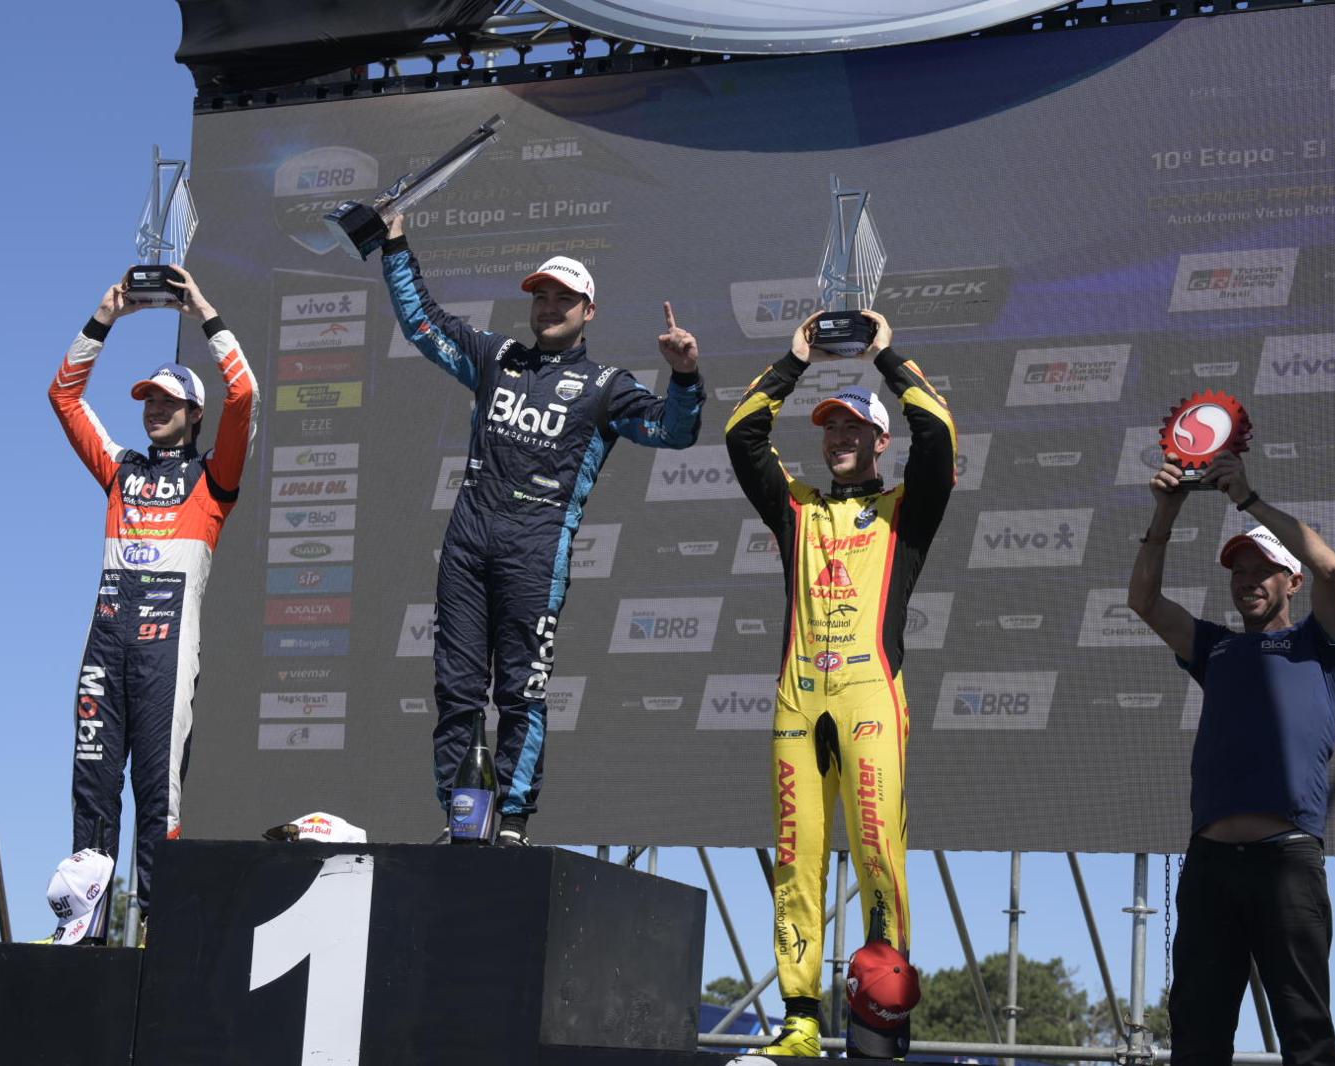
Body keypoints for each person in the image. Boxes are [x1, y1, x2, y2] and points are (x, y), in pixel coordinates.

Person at [378, 215, 704, 845]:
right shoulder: (496, 357)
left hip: (535, 552)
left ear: (589, 312)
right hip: (468, 546)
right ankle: (462, 819)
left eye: (564, 299)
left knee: (521, 692)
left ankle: (513, 824)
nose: (550, 307)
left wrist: (685, 377)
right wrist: (394, 246)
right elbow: (423, 323)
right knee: (456, 691)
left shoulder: (607, 387)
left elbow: (674, 431)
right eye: (541, 296)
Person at [726, 310, 954, 1057]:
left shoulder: (907, 510)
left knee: (880, 853)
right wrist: (793, 363)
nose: (839, 438)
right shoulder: (798, 508)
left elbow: (939, 435)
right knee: (796, 858)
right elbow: (741, 437)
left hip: (871, 701)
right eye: (830, 427)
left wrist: (887, 355)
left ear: (881, 439)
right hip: (799, 702)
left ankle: (883, 1019)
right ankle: (799, 1018)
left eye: (853, 427)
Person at [48, 267, 258, 924]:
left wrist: (204, 312)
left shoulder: (214, 478)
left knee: (157, 798)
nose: (154, 408)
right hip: (105, 643)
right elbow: (64, 396)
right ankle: (83, 929)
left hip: (166, 652)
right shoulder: (120, 470)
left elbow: (245, 393)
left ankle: (156, 935)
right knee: (91, 788)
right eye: (148, 399)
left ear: (194, 414)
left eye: (168, 401)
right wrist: (103, 318)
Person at [1128, 449, 1335, 1066]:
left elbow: (1331, 568)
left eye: (1263, 570)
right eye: (1238, 571)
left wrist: (1247, 501)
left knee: (1307, 1038)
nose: (1248, 579)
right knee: (1197, 1039)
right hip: (1211, 866)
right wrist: (1165, 512)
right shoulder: (1215, 648)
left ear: (1292, 582)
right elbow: (1144, 601)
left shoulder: (1318, 644)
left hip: (1287, 861)